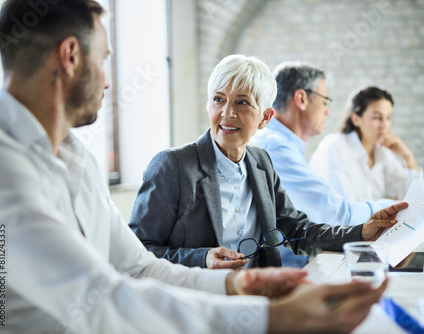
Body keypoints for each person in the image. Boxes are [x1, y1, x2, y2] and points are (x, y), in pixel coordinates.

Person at [0, 1, 392, 333]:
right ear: (71, 56)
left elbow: (137, 266)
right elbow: (96, 298)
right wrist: (268, 319)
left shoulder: (75, 156)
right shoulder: (0, 165)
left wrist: (237, 283)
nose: (109, 81)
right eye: (105, 59)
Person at [129, 54, 407, 271]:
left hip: (258, 295)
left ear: (265, 118)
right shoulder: (172, 166)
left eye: (242, 103)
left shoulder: (261, 162)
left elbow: (296, 229)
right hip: (198, 303)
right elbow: (137, 252)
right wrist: (203, 258)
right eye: (218, 99)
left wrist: (361, 232)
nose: (227, 113)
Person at [250, 62, 396, 267]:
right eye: (325, 101)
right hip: (292, 269)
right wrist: (390, 206)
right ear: (301, 98)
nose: (328, 111)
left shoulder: (283, 145)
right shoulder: (275, 147)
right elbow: (336, 215)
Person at [309, 86, 424, 202]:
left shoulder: (381, 151)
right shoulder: (335, 146)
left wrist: (407, 157)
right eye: (377, 117)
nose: (384, 125)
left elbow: (414, 199)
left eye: (388, 117)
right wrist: (389, 204)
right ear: (356, 119)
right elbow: (343, 208)